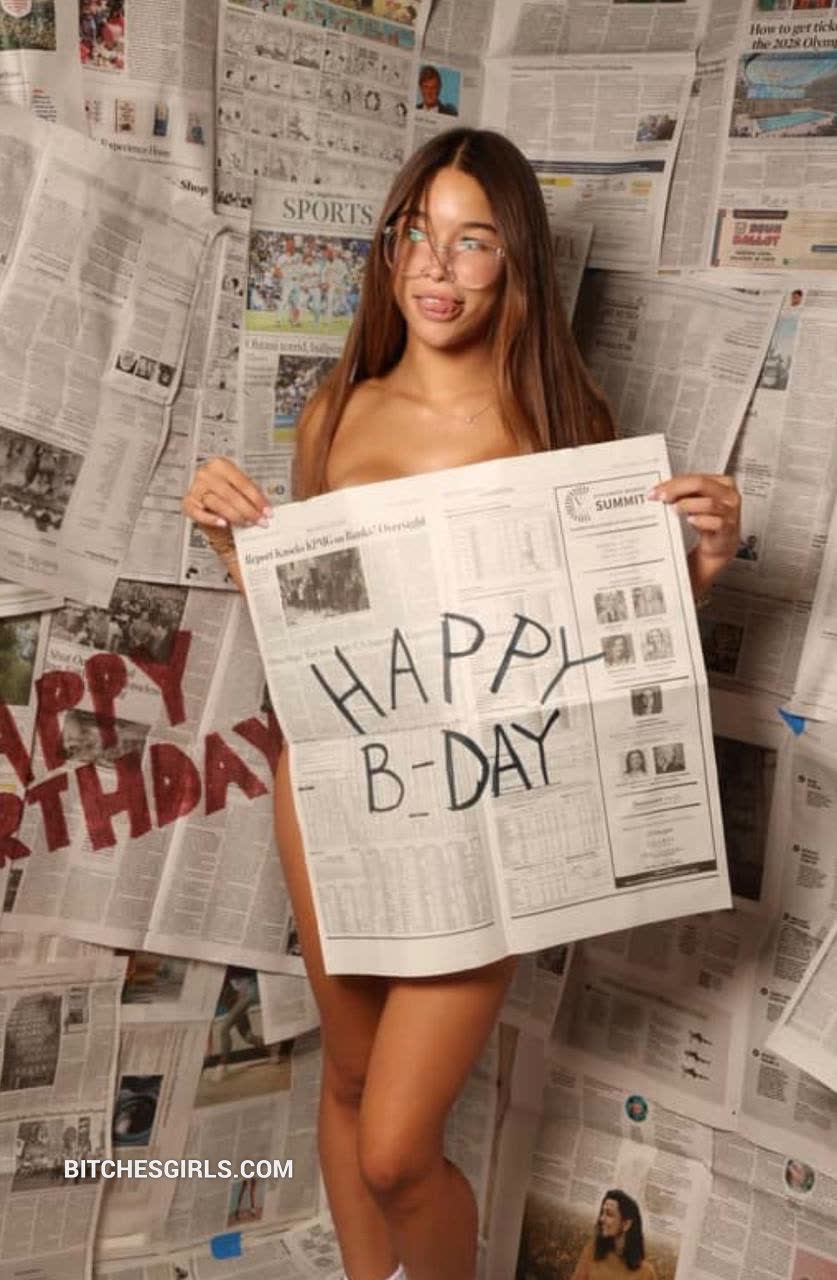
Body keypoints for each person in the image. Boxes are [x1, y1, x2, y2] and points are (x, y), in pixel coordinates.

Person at [182, 128, 742, 1280]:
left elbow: (596, 651)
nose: (437, 267)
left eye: (472, 240)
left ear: (513, 261)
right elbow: (321, 629)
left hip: (489, 804)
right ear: (392, 249)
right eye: (418, 235)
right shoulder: (336, 412)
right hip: (334, 786)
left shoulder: (564, 426)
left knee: (398, 1145)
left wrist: (692, 573)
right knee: (347, 1078)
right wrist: (240, 548)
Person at [571, 1190, 657, 1279]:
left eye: (609, 1214)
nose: (602, 1219)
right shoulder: (592, 1252)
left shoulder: (646, 1273)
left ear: (626, 1224)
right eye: (602, 1213)